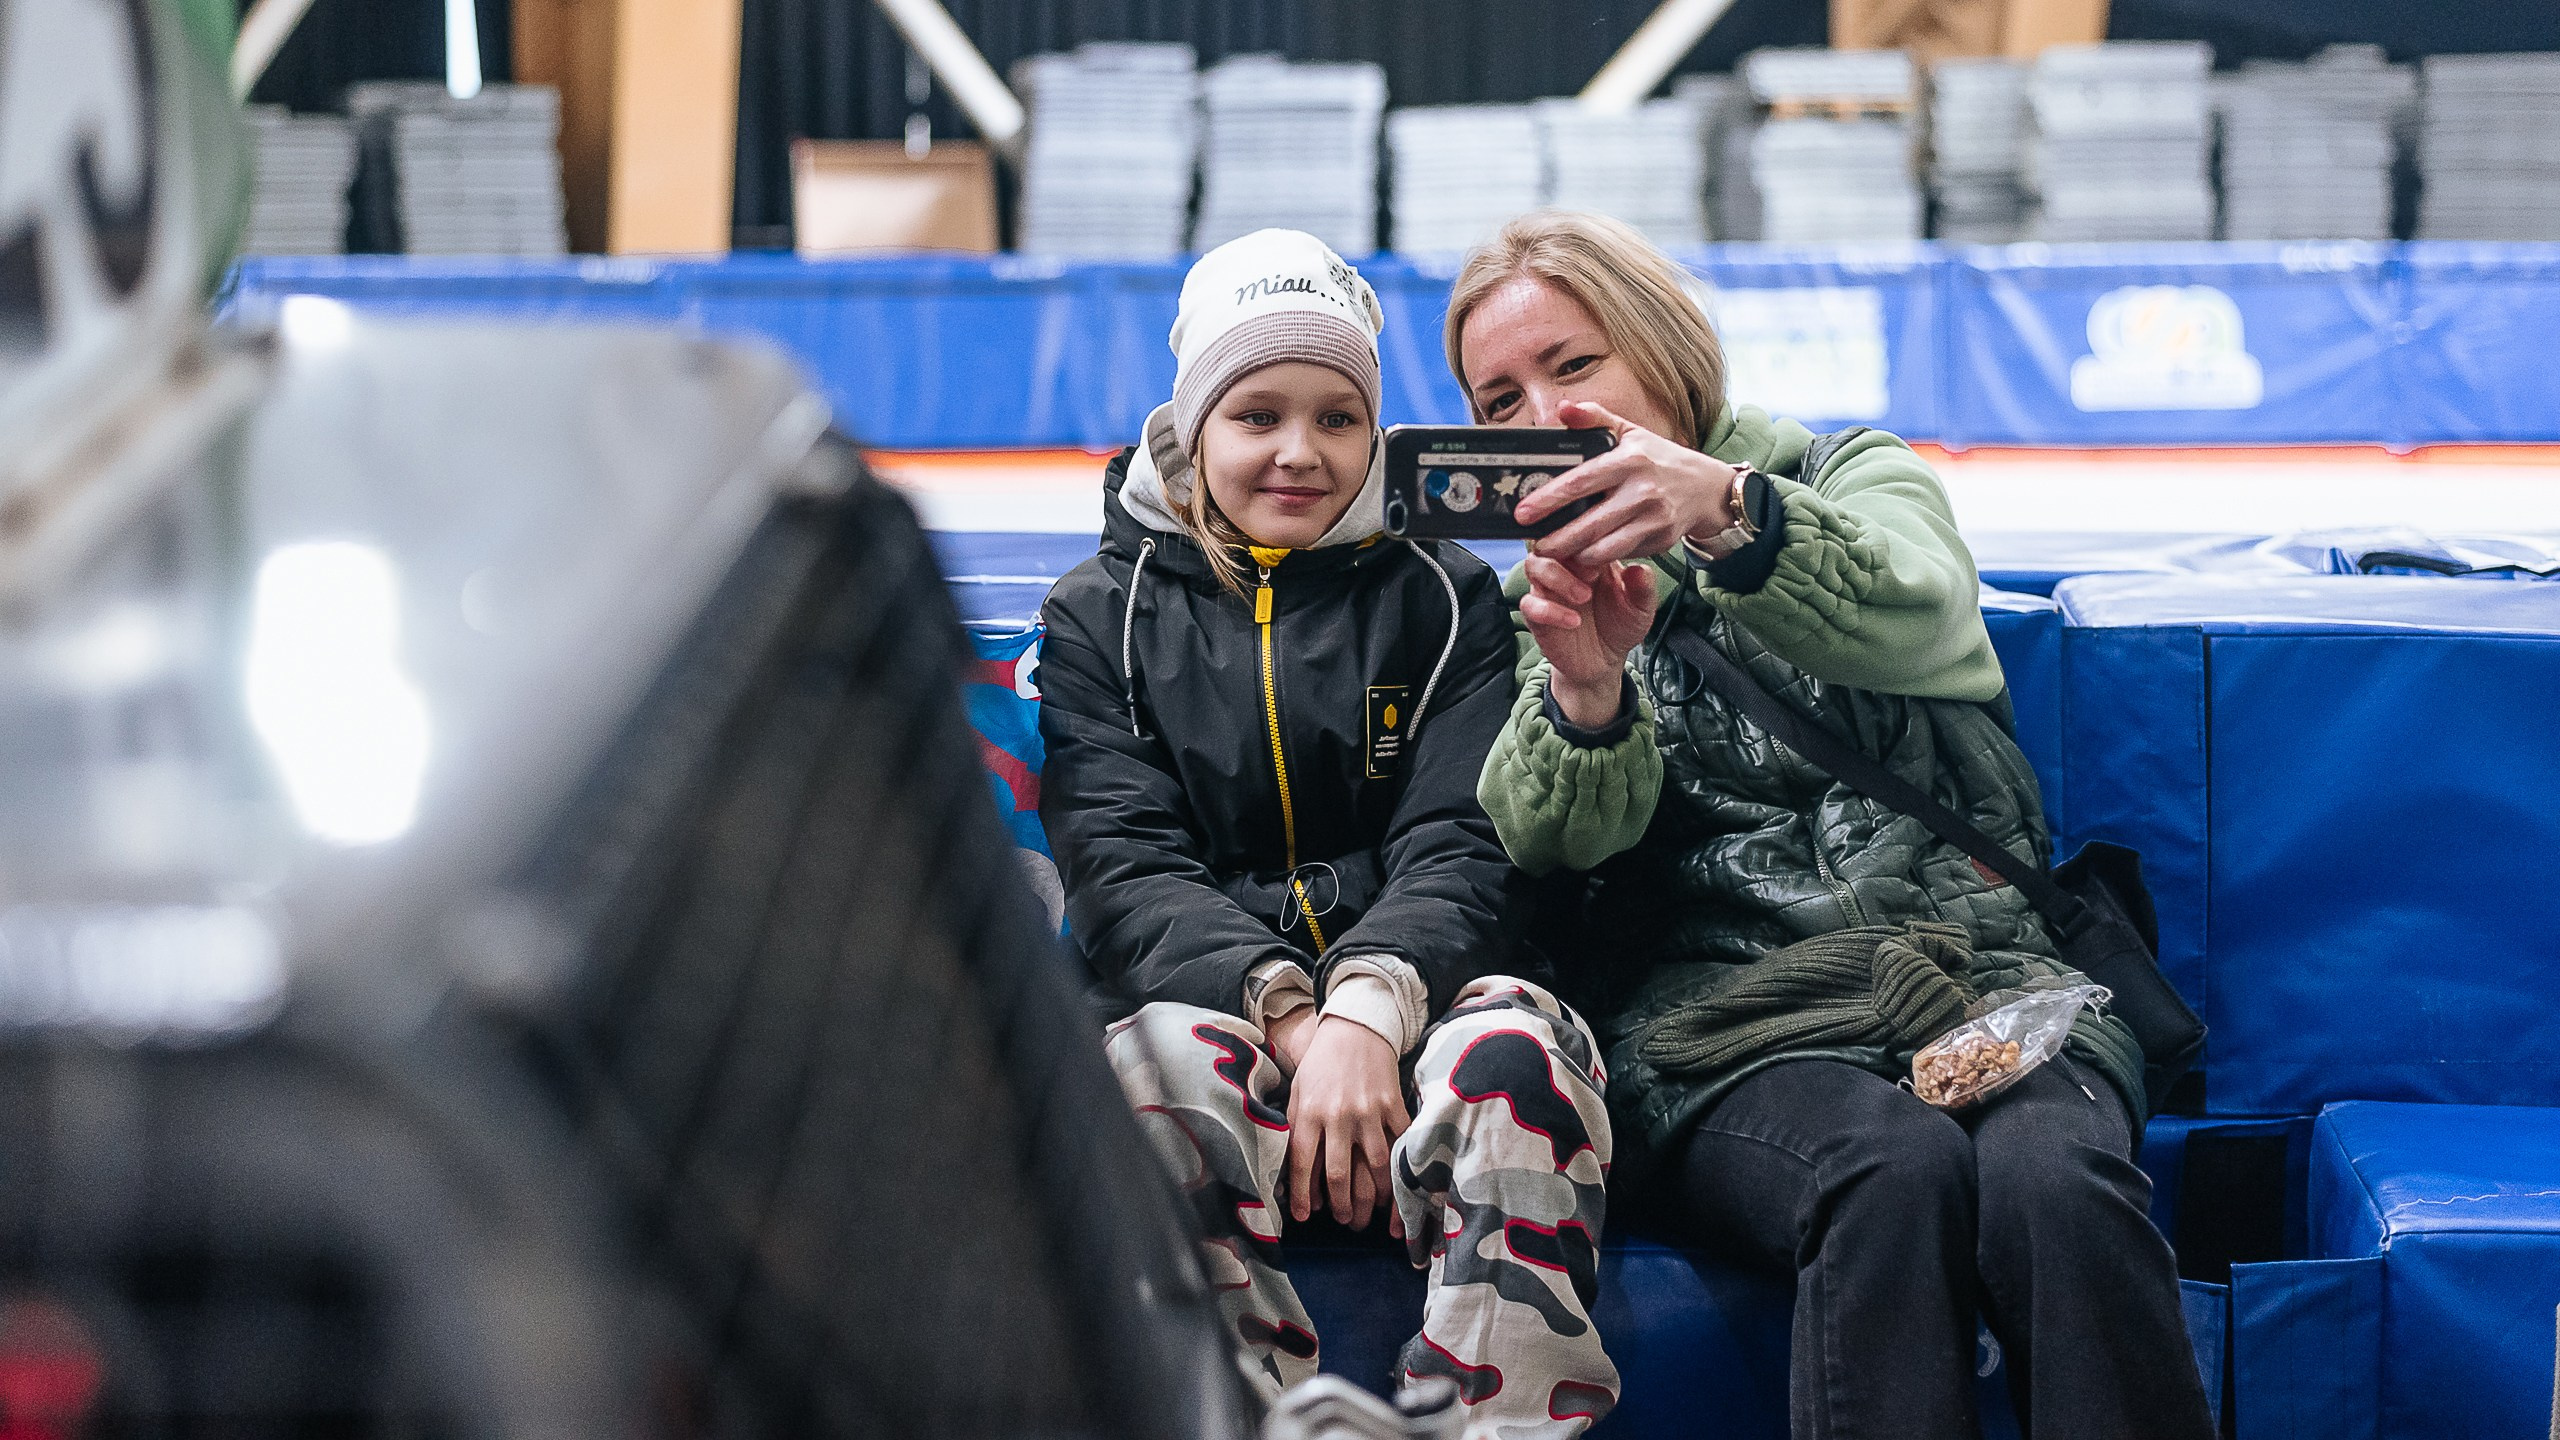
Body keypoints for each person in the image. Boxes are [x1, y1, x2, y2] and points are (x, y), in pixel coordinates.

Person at [1449, 210, 2215, 1440]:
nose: (1540, 417)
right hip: (1720, 1032)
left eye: (1572, 365)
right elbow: (1548, 842)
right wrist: (1588, 691)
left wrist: (1725, 512)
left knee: (2053, 1179)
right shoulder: (1530, 601)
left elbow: (1921, 614)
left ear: (1660, 343)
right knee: (1885, 1167)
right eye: (1498, 399)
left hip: (1980, 978)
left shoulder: (1851, 475)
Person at [1036, 229, 1619, 1437]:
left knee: (1515, 1056)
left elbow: (1469, 842)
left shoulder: (1447, 594)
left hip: (1426, 996)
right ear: (1193, 427)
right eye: (1257, 414)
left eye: (1337, 417)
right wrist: (1296, 1022)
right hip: (1226, 1013)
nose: (1300, 452)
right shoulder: (1102, 617)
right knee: (1148, 1080)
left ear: (1374, 435)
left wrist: (1369, 1006)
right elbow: (1123, 870)